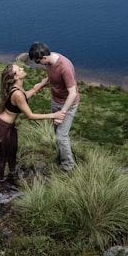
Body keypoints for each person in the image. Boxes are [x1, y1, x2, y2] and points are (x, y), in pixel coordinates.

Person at [0, 63, 58, 189]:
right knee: (3, 156)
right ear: (16, 77)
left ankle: (12, 176)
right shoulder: (17, 94)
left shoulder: (17, 88)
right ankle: (0, 183)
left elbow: (24, 96)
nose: (22, 68)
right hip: (2, 127)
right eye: (19, 69)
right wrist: (55, 115)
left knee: (13, 152)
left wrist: (41, 84)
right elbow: (30, 115)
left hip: (9, 126)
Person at [28, 41, 80, 171]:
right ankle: (62, 157)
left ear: (44, 57)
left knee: (61, 137)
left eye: (37, 61)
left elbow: (72, 93)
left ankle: (69, 167)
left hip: (67, 104)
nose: (38, 64)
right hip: (56, 101)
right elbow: (52, 76)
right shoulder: (50, 61)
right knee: (57, 133)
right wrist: (41, 84)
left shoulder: (64, 67)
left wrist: (62, 113)